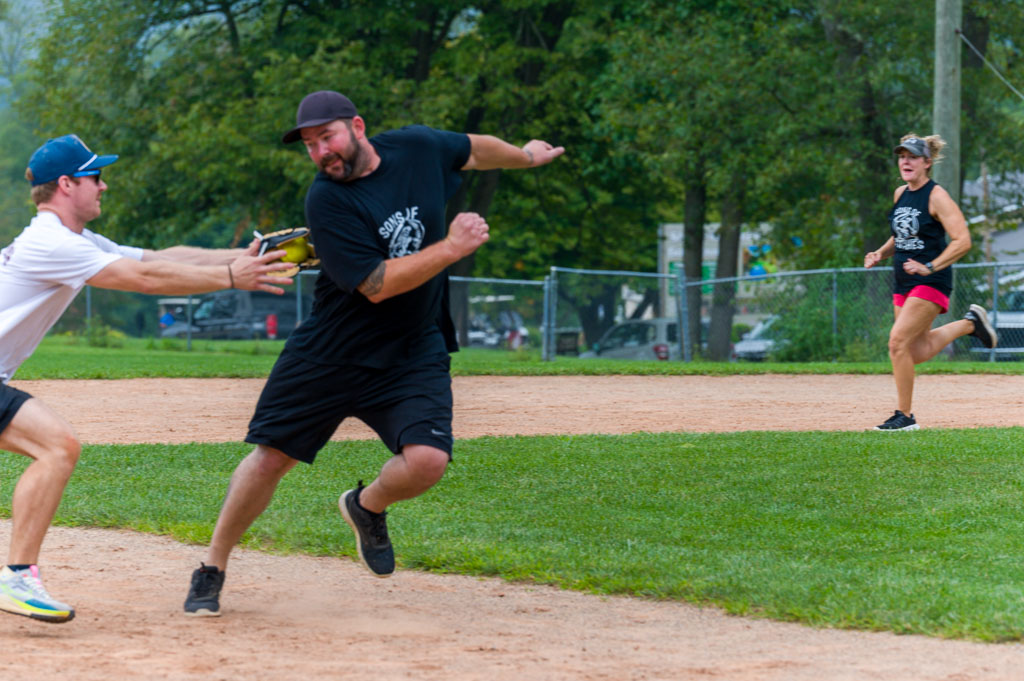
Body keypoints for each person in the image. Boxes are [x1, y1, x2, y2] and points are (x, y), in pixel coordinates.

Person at [183, 90, 564, 616]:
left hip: (413, 346)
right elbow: (378, 284)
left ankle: (365, 506)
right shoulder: (328, 200)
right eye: (311, 145)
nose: (321, 152)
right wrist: (452, 247)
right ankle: (213, 566)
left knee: (428, 461)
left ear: (357, 126)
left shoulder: (417, 147)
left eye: (328, 136)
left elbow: (473, 149)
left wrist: (524, 155)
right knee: (271, 457)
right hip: (332, 350)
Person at [0, 134, 292, 623]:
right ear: (67, 185)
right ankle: (17, 577)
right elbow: (147, 282)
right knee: (57, 445)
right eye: (95, 176)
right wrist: (231, 277)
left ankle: (16, 576)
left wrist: (242, 256)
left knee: (56, 446)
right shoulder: (52, 242)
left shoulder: (73, 239)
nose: (104, 185)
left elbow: (156, 258)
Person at [863, 133, 996, 431]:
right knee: (915, 351)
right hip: (903, 281)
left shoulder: (937, 196)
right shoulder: (901, 194)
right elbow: (902, 234)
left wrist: (930, 266)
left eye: (912, 156)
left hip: (931, 279)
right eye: (901, 156)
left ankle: (905, 416)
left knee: (896, 342)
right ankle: (970, 324)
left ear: (927, 162)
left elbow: (963, 241)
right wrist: (881, 253)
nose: (905, 161)